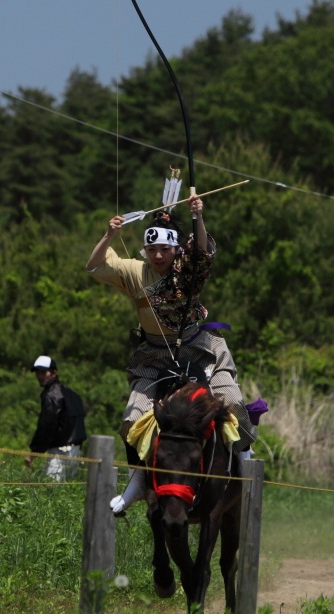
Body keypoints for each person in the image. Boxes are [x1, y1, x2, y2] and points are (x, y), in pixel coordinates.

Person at [85, 195, 258, 515]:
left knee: (232, 402)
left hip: (201, 348)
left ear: (177, 249)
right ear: (145, 251)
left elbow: (203, 251)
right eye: (152, 250)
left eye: (165, 249)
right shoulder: (134, 271)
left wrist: (198, 216)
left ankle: (244, 456)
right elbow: (94, 264)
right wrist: (109, 235)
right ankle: (139, 477)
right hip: (154, 356)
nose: (158, 255)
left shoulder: (187, 268)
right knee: (131, 419)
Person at [25, 355, 87, 481]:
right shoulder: (72, 394)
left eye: (43, 372)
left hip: (59, 452)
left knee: (50, 489)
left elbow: (46, 425)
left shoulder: (51, 395)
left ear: (53, 373)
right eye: (37, 372)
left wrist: (34, 453)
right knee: (69, 490)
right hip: (75, 450)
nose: (39, 376)